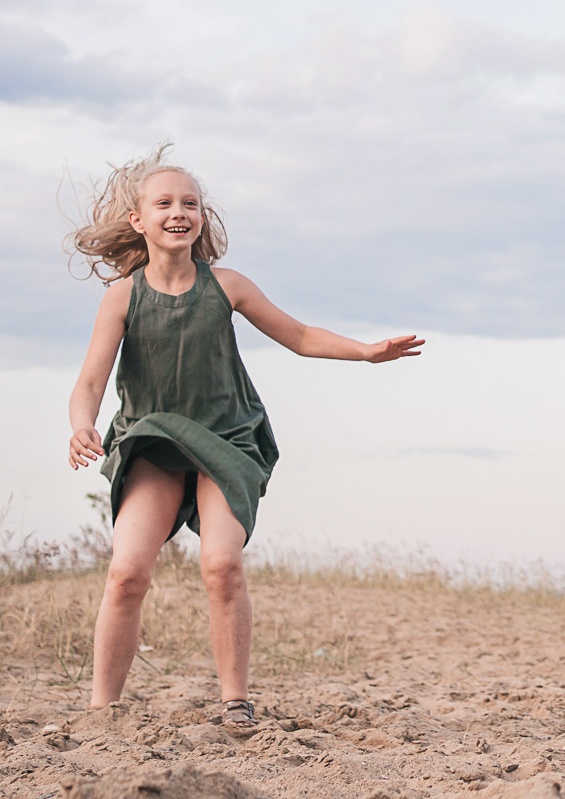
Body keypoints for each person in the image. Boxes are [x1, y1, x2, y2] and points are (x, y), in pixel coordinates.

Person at [64, 146, 422, 729]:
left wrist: (365, 351)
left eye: (190, 203)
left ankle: (235, 702)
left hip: (226, 439)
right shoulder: (123, 297)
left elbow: (299, 335)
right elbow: (90, 383)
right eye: (164, 203)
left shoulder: (226, 286)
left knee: (221, 566)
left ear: (201, 217)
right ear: (139, 220)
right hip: (152, 441)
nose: (179, 212)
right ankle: (102, 712)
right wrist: (82, 424)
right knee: (126, 573)